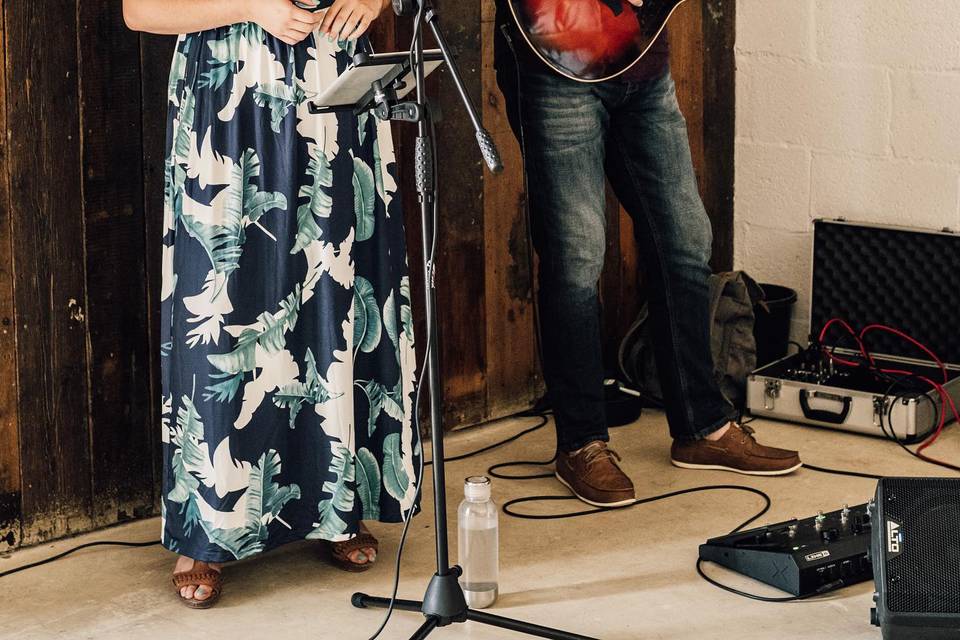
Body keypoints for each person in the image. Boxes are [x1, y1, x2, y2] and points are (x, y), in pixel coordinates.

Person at [124, 0, 421, 608]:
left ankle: (338, 504)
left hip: (337, 90)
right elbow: (140, 11)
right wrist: (250, 6)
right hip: (230, 101)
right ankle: (206, 534)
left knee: (338, 294)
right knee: (224, 303)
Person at [493, 0, 802, 508]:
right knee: (578, 256)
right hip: (556, 55)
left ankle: (703, 426)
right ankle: (581, 444)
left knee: (685, 240)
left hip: (642, 59)